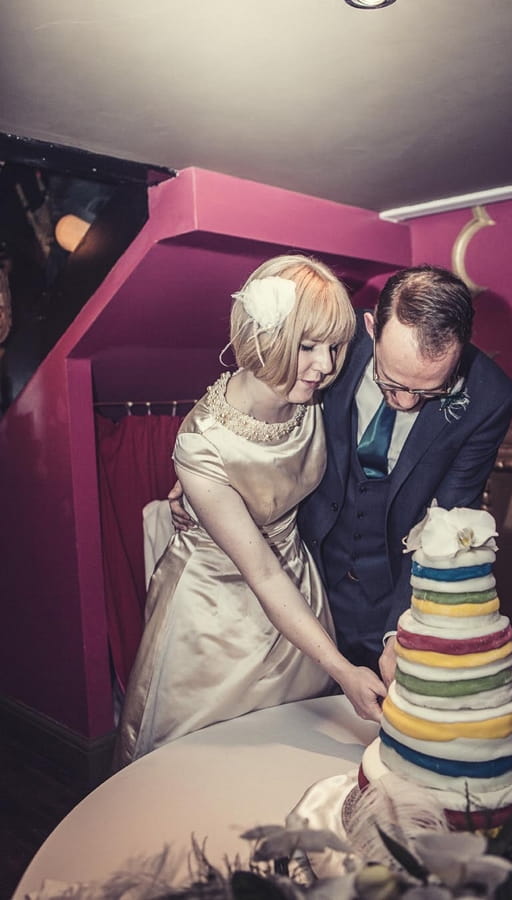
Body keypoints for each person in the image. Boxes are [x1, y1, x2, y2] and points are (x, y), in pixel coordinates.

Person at [171, 264, 512, 690]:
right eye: (391, 381)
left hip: (392, 591)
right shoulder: (331, 337)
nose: (407, 403)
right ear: (369, 329)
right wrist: (209, 473)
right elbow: (260, 375)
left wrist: (400, 630)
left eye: (429, 390)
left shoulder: (490, 397)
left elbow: (445, 521)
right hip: (304, 572)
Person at [114, 255, 385, 768]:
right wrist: (344, 669)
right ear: (264, 337)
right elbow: (260, 572)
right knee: (206, 766)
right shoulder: (201, 446)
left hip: (297, 593)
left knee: (291, 757)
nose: (325, 365)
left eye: (333, 347)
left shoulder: (311, 395)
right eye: (308, 347)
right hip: (215, 611)